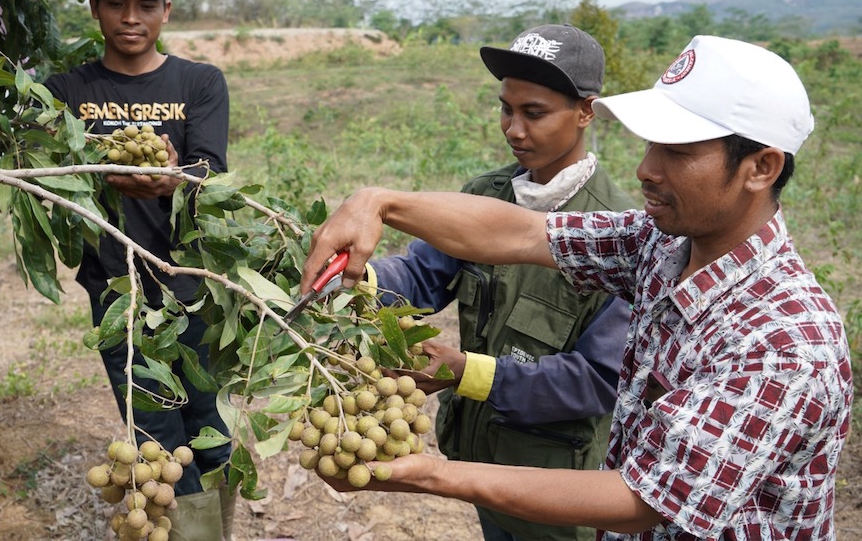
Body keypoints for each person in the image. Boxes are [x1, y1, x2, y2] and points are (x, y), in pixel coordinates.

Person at [303, 35, 853, 539]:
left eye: (677, 153)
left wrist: (435, 477)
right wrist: (378, 202)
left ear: (762, 167)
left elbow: (643, 498)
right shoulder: (660, 245)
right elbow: (523, 231)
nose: (645, 169)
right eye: (650, 145)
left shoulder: (786, 344)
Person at [367, 24, 634, 541]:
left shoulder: (619, 233)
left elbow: (598, 378)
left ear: (585, 112)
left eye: (534, 113)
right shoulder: (485, 195)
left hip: (559, 484)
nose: (514, 129)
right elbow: (424, 274)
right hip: (481, 458)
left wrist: (465, 373)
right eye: (506, 109)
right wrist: (359, 279)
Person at [44, 0, 234, 540]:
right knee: (154, 425)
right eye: (118, 3)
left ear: (166, 11)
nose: (132, 16)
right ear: (96, 10)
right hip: (116, 288)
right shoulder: (66, 89)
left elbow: (209, 173)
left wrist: (176, 177)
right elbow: (49, 174)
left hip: (191, 285)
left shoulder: (199, 81)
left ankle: (210, 529)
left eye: (146, 3)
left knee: (208, 421)